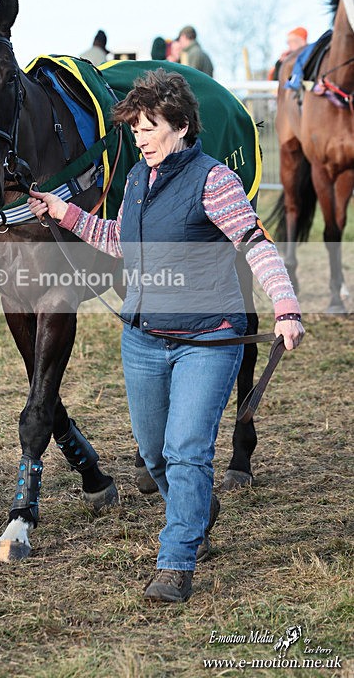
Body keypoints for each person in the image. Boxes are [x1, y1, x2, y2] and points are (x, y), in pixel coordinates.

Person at [28, 69, 304, 604]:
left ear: (179, 126)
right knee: (154, 457)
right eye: (134, 129)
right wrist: (64, 213)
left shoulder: (213, 180)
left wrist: (285, 305)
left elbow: (254, 242)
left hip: (208, 339)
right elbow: (121, 240)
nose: (139, 137)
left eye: (148, 127)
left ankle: (176, 563)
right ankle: (196, 505)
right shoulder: (136, 181)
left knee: (185, 451)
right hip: (143, 339)